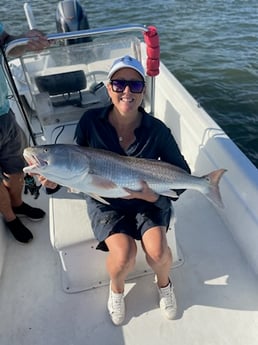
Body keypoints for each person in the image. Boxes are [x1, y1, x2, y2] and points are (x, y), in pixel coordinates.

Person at [41, 55, 191, 325]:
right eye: (119, 83)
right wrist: (53, 182)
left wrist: (152, 196)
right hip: (107, 202)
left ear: (143, 91)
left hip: (148, 201)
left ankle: (164, 284)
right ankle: (116, 290)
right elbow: (77, 169)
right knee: (123, 257)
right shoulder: (90, 122)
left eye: (135, 85)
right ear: (108, 88)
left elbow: (183, 175)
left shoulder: (157, 130)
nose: (126, 91)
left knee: (158, 253)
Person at [0, 22, 49, 244]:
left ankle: (17, 204)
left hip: (3, 113)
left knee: (17, 167)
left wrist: (26, 41)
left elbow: (7, 43)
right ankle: (9, 217)